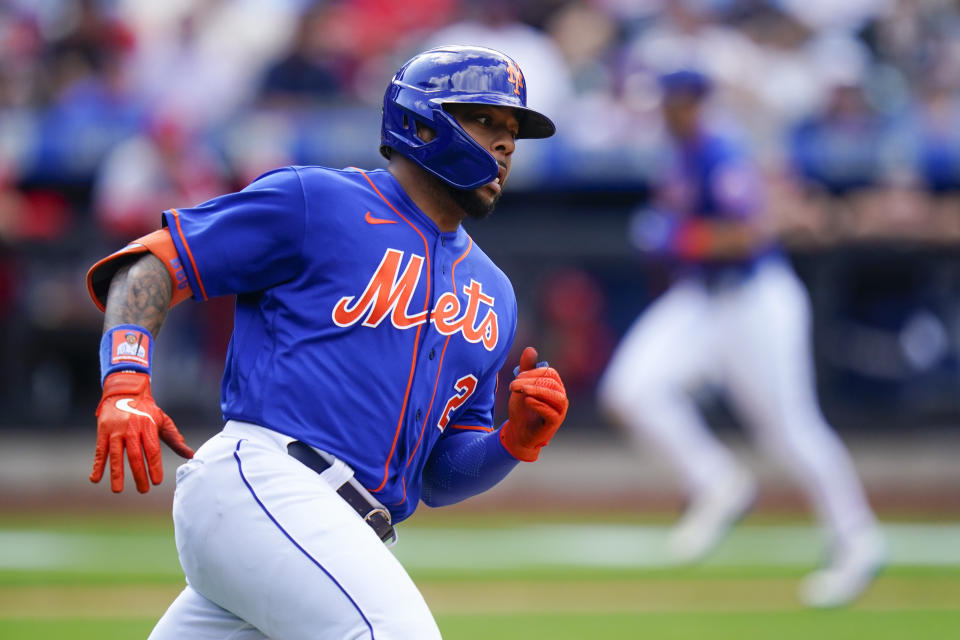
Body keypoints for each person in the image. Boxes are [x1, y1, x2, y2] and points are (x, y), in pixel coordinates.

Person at [85, 45, 569, 639]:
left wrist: (512, 442)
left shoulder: (494, 292)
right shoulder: (318, 201)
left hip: (330, 532)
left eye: (514, 131)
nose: (506, 145)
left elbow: (439, 477)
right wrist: (126, 380)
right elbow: (150, 267)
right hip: (266, 482)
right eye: (486, 120)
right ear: (420, 122)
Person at [597, 69, 885, 608]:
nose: (670, 111)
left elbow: (750, 232)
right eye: (666, 102)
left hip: (755, 299)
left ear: (698, 102)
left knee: (789, 431)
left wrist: (680, 235)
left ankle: (857, 538)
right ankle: (717, 481)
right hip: (703, 299)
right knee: (631, 391)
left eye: (679, 102)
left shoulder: (719, 148)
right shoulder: (678, 152)